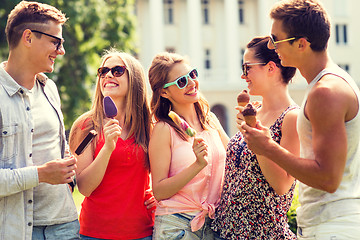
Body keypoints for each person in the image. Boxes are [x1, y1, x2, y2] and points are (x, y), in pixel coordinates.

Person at [241, 0, 360, 239]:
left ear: (302, 44)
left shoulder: (325, 92)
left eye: (276, 39)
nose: (272, 47)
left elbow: (328, 178)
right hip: (327, 224)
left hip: (332, 226)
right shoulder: (326, 84)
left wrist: (267, 148)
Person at [0, 1, 80, 239]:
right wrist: (41, 174)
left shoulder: (50, 88)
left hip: (65, 225)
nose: (61, 50)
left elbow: (58, 149)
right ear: (28, 37)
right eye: (56, 41)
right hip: (19, 230)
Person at [211, 36, 299, 239]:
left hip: (260, 234)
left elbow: (282, 186)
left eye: (247, 68)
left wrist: (254, 136)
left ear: (270, 68)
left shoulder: (292, 117)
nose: (243, 76)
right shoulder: (255, 111)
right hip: (224, 231)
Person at [69, 49, 155, 240]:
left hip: (142, 232)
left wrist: (159, 194)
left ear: (134, 79)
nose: (108, 75)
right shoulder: (86, 125)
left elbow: (165, 172)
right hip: (95, 233)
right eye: (103, 71)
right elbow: (84, 188)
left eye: (117, 70)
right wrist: (108, 148)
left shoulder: (149, 125)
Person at [147, 52, 229, 239]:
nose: (192, 83)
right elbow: (159, 191)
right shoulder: (163, 129)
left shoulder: (211, 120)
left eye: (192, 74)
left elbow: (234, 157)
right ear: (164, 92)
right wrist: (197, 165)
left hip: (213, 224)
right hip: (177, 225)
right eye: (182, 81)